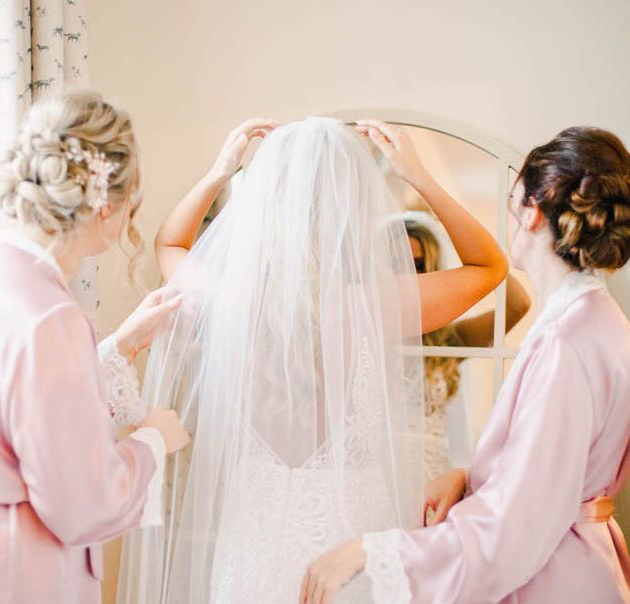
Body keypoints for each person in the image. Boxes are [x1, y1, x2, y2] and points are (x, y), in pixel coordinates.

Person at [117, 116, 507, 604]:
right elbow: (488, 266)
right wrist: (418, 176)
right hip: (349, 541)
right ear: (352, 209)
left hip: (252, 535)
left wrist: (220, 171)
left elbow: (169, 244)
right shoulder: (373, 305)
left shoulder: (231, 302)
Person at [301, 122, 630, 604]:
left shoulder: (566, 341)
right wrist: (475, 477)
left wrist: (376, 552)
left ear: (534, 212)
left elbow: (515, 527)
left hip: (554, 577)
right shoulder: (597, 320)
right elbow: (552, 472)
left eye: (512, 204)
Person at [0, 90, 190, 604]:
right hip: (20, 574)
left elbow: (21, 410)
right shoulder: (51, 319)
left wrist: (118, 347)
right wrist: (152, 441)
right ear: (106, 202)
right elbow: (81, 502)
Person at [404, 215, 531, 489]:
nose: (410, 278)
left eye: (419, 266)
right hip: (373, 477)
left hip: (429, 480)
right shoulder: (360, 335)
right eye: (398, 264)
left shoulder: (450, 341)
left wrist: (464, 243)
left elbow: (518, 304)